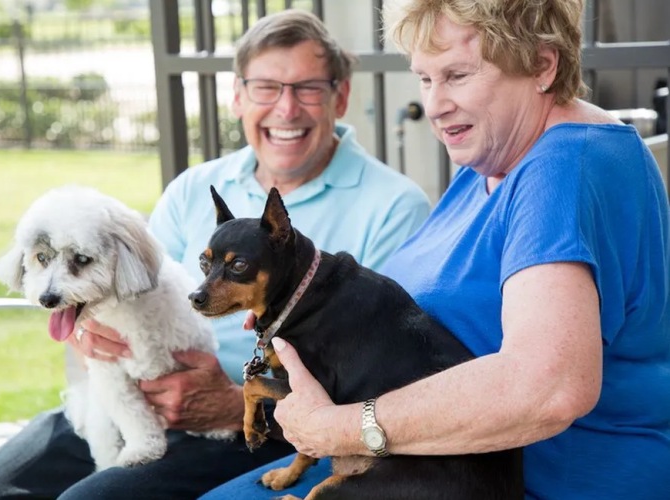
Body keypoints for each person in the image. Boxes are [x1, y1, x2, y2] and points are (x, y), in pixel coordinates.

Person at [0, 9, 431, 500]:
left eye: (308, 88)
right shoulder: (195, 188)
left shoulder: (392, 207)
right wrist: (89, 332)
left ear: (340, 97)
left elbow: (374, 372)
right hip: (123, 401)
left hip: (250, 430)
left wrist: (230, 405)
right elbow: (122, 286)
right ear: (237, 96)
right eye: (266, 87)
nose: (286, 109)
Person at [201, 1, 670, 499]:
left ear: (541, 65)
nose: (436, 103)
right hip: (415, 466)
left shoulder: (560, 173)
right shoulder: (493, 158)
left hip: (531, 484)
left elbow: (548, 389)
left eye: (458, 75)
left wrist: (337, 428)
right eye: (425, 79)